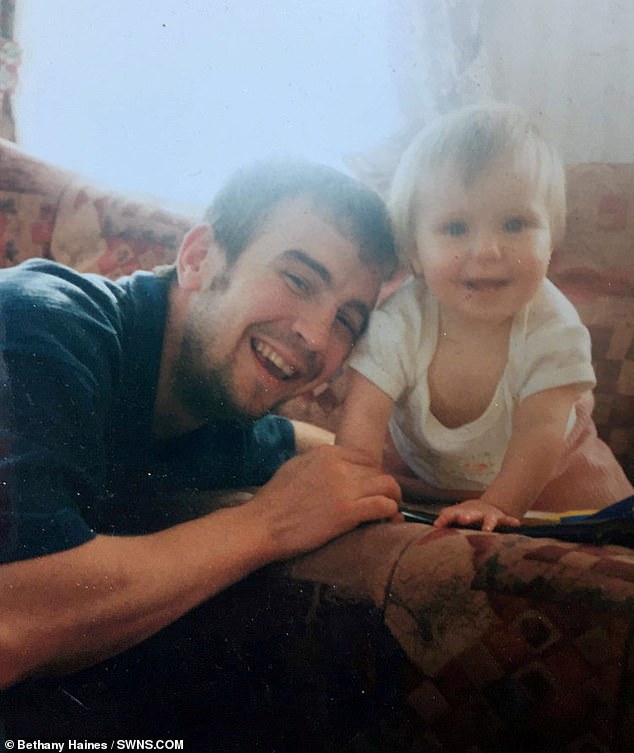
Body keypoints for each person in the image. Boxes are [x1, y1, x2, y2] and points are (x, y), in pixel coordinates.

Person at [0, 159, 402, 743]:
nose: (316, 338)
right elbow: (10, 624)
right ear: (196, 259)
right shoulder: (44, 324)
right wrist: (271, 523)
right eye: (297, 279)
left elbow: (319, 454)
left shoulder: (212, 412)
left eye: (346, 319)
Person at [337, 103, 633, 533]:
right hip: (425, 476)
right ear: (415, 252)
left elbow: (541, 429)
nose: (487, 251)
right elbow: (362, 417)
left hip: (555, 472)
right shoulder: (399, 322)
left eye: (515, 224)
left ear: (552, 242)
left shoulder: (555, 327)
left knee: (611, 534)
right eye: (456, 229)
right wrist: (354, 486)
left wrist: (499, 504)